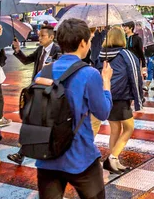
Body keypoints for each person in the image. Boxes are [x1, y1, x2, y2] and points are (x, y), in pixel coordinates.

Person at [34, 18, 113, 199]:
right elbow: (103, 112)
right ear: (83, 43)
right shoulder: (89, 73)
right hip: (80, 156)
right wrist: (106, 83)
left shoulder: (43, 72)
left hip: (47, 156)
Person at [8, 25, 61, 166]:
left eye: (42, 36)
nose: (39, 38)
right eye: (39, 35)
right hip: (37, 91)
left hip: (49, 92)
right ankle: (21, 154)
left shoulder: (57, 51)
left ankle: (30, 153)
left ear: (51, 37)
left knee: (41, 124)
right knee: (31, 122)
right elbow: (26, 61)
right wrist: (18, 50)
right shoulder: (40, 50)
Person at [98, 26, 144, 173]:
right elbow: (134, 76)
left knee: (115, 129)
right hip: (122, 97)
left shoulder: (102, 54)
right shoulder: (126, 54)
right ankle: (112, 158)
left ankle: (114, 162)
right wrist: (137, 97)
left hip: (107, 95)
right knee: (129, 128)